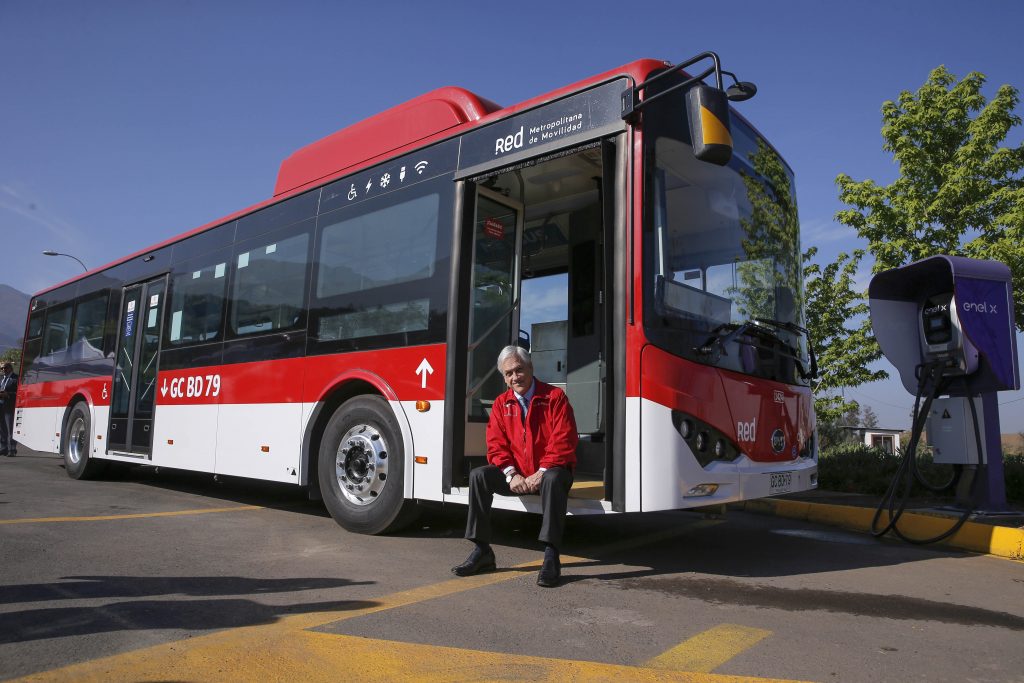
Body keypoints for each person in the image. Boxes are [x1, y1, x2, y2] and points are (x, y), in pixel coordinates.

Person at [452, 345, 578, 587]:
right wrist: (512, 475)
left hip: (551, 472)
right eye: (508, 374)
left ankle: (551, 555)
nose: (514, 377)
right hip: (519, 476)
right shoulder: (502, 404)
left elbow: (563, 440)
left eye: (519, 370)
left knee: (552, 478)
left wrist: (541, 472)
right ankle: (482, 551)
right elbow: (496, 445)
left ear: (530, 368)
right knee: (479, 476)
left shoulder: (554, 397)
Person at [0, 362, 18, 457]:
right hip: (1, 406)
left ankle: (12, 449)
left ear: (10, 368)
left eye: (5, 368)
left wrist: (8, 394)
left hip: (10, 406)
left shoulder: (16, 378)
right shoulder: (2, 379)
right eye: (2, 369)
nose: (3, 370)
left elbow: (19, 393)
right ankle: (3, 448)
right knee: (2, 429)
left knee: (10, 428)